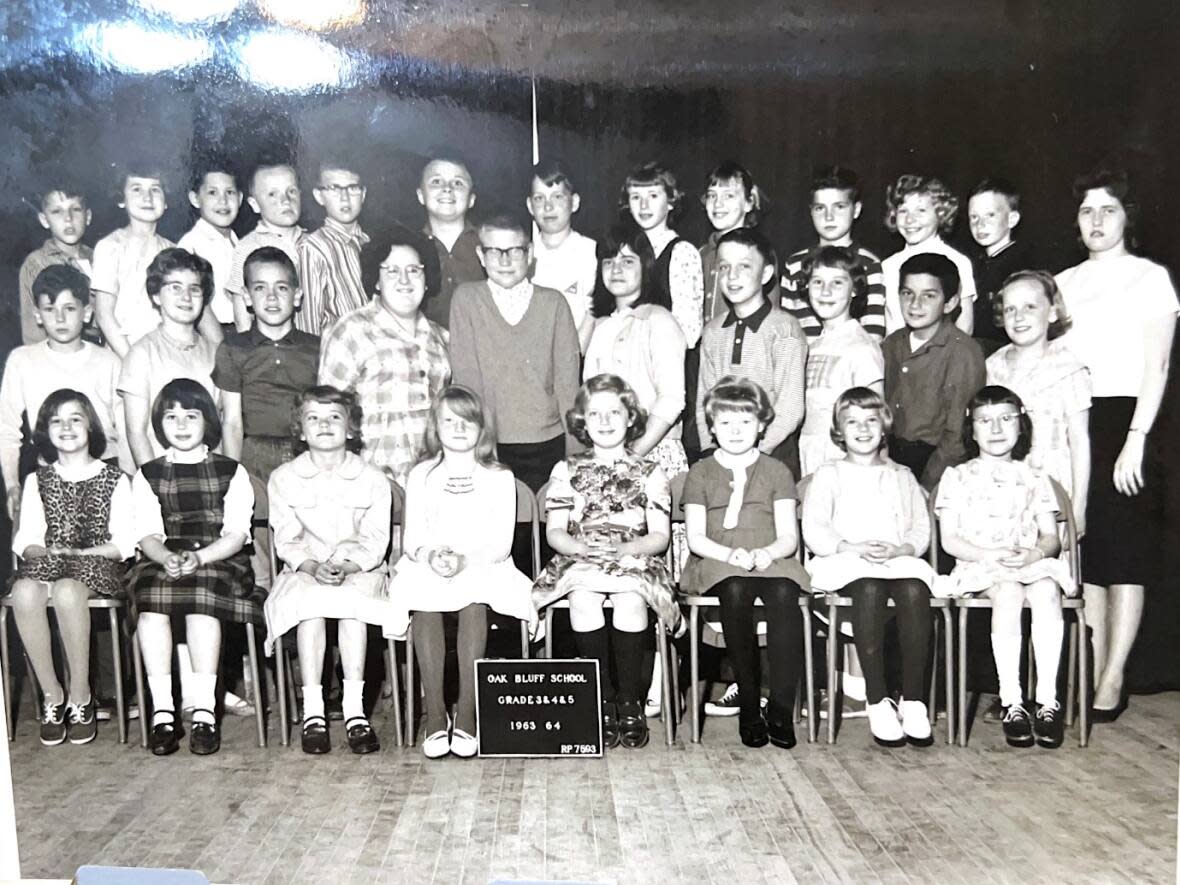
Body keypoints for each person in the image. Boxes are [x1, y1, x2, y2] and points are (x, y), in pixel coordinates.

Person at [1055, 169, 1178, 721]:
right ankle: (1093, 667)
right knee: (1092, 557)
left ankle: (1114, 676)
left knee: (1127, 556)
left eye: (1108, 209)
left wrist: (1136, 439)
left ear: (1128, 217)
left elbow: (1157, 366)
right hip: (1077, 421)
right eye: (1087, 211)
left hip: (1130, 422)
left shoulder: (1149, 278)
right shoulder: (1063, 283)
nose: (1097, 221)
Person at [387, 386, 537, 758]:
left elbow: (501, 543)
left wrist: (465, 560)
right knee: (424, 601)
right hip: (431, 562)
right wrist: (432, 553)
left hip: (485, 563)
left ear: (482, 428)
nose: (457, 428)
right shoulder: (422, 474)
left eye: (466, 421)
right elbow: (413, 539)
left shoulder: (499, 476)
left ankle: (467, 716)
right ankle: (436, 716)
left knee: (474, 601)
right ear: (435, 428)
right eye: (448, 421)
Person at [533, 374, 680, 750]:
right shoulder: (566, 469)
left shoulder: (650, 472)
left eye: (614, 412)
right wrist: (579, 549)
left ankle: (630, 701)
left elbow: (660, 536)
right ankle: (601, 700)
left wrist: (630, 550)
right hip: (582, 554)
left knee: (630, 599)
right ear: (582, 421)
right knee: (584, 597)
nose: (605, 421)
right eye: (594, 413)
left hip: (634, 555)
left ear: (631, 417)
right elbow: (555, 532)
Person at [935, 386, 1074, 749]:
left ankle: (1047, 702)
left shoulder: (1035, 477)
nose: (996, 428)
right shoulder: (957, 476)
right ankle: (1012, 701)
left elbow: (1050, 536)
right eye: (985, 421)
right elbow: (949, 540)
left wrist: (1036, 554)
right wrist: (988, 553)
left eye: (1006, 418)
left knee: (1046, 590)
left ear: (1021, 424)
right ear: (972, 429)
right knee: (1010, 593)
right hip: (981, 565)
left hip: (1026, 564)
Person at [126, 379, 258, 756]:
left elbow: (236, 534)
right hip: (164, 555)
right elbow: (147, 533)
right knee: (150, 601)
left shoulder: (231, 471)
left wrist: (200, 557)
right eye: (171, 416)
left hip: (218, 558)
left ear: (208, 422)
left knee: (204, 604)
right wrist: (164, 556)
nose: (181, 424)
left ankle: (204, 712)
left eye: (191, 415)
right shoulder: (148, 474)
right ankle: (163, 711)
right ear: (159, 423)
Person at [802, 387, 936, 747]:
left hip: (895, 558)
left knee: (915, 588)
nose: (862, 429)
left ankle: (913, 700)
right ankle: (876, 699)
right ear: (839, 430)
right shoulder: (829, 474)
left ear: (884, 426)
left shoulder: (902, 476)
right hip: (846, 560)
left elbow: (920, 529)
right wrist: (850, 547)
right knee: (869, 588)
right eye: (852, 422)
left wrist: (901, 548)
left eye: (871, 421)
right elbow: (815, 528)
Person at [263, 386, 392, 755]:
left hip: (360, 570)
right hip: (305, 569)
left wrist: (349, 566)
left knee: (353, 607)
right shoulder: (284, 477)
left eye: (334, 417)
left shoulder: (371, 478)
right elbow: (287, 539)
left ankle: (354, 712)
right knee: (310, 607)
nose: (323, 425)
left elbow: (376, 540)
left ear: (351, 429)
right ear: (300, 430)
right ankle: (314, 710)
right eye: (313, 418)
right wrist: (313, 566)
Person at [682, 377, 809, 748]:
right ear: (712, 426)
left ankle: (781, 709)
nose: (735, 431)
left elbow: (788, 536)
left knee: (785, 594)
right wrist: (729, 554)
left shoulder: (776, 471)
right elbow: (696, 537)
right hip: (718, 557)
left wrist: (767, 553)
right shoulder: (701, 472)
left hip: (770, 555)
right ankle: (750, 707)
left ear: (762, 425)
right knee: (735, 590)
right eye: (725, 423)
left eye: (745, 422)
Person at [8, 390, 135, 746]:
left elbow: (124, 543)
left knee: (66, 590)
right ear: (45, 431)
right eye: (56, 420)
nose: (66, 427)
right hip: (51, 560)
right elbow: (27, 540)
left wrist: (80, 555)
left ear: (90, 425)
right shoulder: (38, 480)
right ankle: (53, 696)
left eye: (75, 418)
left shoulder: (114, 479)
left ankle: (81, 697)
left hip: (98, 564)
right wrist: (46, 550)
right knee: (23, 590)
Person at [448, 214, 580, 493]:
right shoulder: (466, 300)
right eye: (494, 251)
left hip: (548, 445)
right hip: (490, 447)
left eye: (514, 251)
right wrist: (478, 451)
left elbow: (568, 386)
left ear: (529, 254)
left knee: (548, 530)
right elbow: (468, 382)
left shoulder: (554, 303)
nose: (505, 260)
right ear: (481, 256)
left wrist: (575, 457)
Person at [319, 230, 451, 486]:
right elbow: (329, 412)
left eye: (414, 270)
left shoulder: (441, 338)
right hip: (368, 483)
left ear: (426, 279)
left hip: (429, 483)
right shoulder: (351, 330)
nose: (404, 279)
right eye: (391, 270)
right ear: (376, 281)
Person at [1, 265, 126, 524]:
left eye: (69, 309)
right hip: (49, 474)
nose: (60, 319)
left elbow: (125, 431)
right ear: (37, 315)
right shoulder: (22, 360)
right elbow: (6, 429)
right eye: (50, 310)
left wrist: (128, 484)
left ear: (87, 312)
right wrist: (13, 484)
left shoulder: (109, 361)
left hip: (106, 470)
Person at [696, 228, 807, 466]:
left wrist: (756, 453)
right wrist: (711, 451)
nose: (732, 276)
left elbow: (791, 408)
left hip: (771, 456)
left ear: (766, 273)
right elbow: (703, 402)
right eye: (724, 267)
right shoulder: (713, 331)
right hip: (722, 456)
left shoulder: (785, 328)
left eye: (744, 266)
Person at [583, 224, 687, 475]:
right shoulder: (602, 325)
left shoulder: (659, 320)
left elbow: (672, 399)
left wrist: (633, 454)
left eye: (628, 261)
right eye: (608, 262)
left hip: (654, 452)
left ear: (646, 267)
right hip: (609, 452)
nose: (616, 269)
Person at [986, 270, 1091, 514]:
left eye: (1030, 307)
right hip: (1002, 487)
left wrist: (1078, 507)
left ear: (1053, 312)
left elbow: (1079, 441)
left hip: (1052, 488)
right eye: (1010, 309)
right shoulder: (993, 366)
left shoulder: (1069, 368)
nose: (1018, 317)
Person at [215, 246, 320, 486]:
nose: (271, 297)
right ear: (247, 296)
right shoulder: (233, 348)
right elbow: (231, 421)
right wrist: (233, 480)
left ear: (297, 296)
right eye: (260, 288)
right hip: (254, 457)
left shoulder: (317, 348)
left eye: (281, 287)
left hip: (305, 455)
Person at [882, 253, 985, 490]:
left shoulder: (963, 352)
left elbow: (956, 436)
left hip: (935, 464)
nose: (915, 304)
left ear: (950, 303)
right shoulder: (891, 345)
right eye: (907, 293)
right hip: (890, 459)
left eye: (929, 296)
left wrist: (926, 486)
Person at [119, 248, 220, 465]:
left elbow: (219, 425)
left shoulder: (213, 352)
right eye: (175, 288)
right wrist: (155, 486)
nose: (186, 297)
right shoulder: (141, 354)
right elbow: (136, 433)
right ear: (156, 295)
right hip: (161, 475)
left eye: (194, 289)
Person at [798, 246, 884, 477]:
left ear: (854, 289)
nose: (825, 291)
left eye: (837, 283)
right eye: (817, 282)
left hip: (845, 458)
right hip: (810, 451)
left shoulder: (861, 346)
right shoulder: (812, 346)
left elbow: (875, 416)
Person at [781, 165, 886, 340]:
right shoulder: (794, 264)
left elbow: (873, 335)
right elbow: (787, 331)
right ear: (811, 211)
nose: (829, 217)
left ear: (857, 210)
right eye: (820, 208)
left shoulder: (869, 264)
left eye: (839, 207)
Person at [91, 163, 174, 357]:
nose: (147, 197)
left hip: (164, 351)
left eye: (155, 189)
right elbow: (104, 315)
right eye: (137, 189)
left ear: (166, 201)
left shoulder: (173, 250)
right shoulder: (110, 246)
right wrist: (132, 360)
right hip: (123, 351)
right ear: (122, 199)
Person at [880, 174, 976, 336]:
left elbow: (965, 326)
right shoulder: (888, 266)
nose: (910, 220)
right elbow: (889, 322)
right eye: (903, 211)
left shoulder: (958, 261)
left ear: (940, 213)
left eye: (921, 211)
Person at [621, 161, 704, 348]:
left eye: (653, 196)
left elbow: (689, 332)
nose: (643, 205)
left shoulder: (681, 252)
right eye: (635, 197)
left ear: (671, 202)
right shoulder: (625, 251)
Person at [527, 159, 598, 353]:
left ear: (574, 202)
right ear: (529, 205)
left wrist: (572, 361)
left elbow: (592, 316)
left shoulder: (591, 253)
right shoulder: (522, 254)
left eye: (557, 197)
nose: (548, 207)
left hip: (575, 358)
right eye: (539, 198)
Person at [226, 160, 304, 332]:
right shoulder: (247, 247)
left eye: (291, 191)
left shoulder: (313, 241)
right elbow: (242, 314)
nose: (286, 200)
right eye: (272, 194)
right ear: (254, 204)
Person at [296, 160, 370, 335]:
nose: (345, 197)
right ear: (319, 196)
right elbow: (307, 325)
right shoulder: (312, 249)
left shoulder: (370, 242)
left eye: (353, 188)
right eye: (334, 189)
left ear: (363, 194)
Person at [698, 161, 777, 322]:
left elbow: (770, 318)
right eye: (712, 195)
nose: (718, 204)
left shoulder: (760, 252)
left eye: (729, 195)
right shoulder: (700, 254)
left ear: (749, 203)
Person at [966, 178, 1036, 355]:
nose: (980, 224)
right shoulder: (973, 264)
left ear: (1012, 219)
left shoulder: (1022, 265)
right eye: (974, 217)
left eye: (990, 215)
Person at [18, 183, 93, 345]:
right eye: (57, 211)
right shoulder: (36, 263)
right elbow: (33, 331)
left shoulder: (100, 257)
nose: (68, 219)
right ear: (44, 220)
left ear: (88, 217)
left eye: (76, 209)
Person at [176, 157, 244, 337]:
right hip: (210, 336)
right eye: (212, 192)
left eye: (230, 192)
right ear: (195, 199)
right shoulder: (190, 246)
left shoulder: (241, 244)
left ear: (240, 198)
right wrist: (219, 347)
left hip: (242, 333)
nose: (223, 201)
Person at [416, 154, 484, 328]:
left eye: (458, 183)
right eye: (436, 182)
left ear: (471, 199)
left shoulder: (489, 245)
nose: (447, 189)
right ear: (421, 195)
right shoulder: (410, 249)